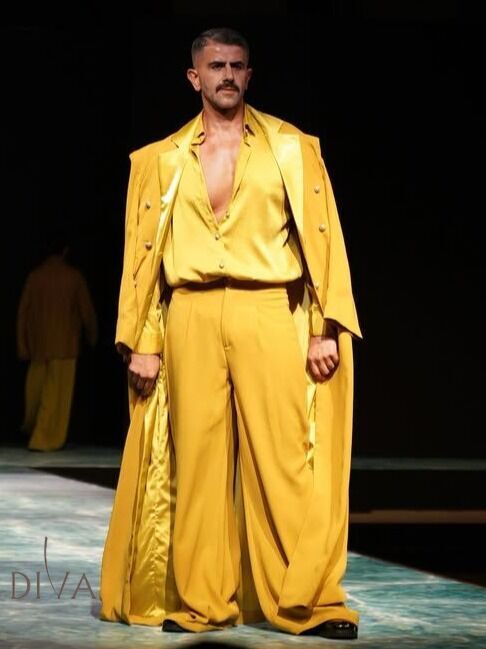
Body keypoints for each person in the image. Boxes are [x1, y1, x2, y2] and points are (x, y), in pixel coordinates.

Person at [99, 27, 362, 640]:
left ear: (249, 74)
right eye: (215, 65)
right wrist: (143, 338)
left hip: (267, 306)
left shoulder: (292, 148)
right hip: (189, 311)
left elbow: (323, 240)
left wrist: (324, 327)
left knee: (284, 461)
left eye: (236, 66)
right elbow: (142, 257)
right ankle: (202, 604)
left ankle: (307, 604)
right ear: (194, 77)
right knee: (196, 463)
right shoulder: (159, 159)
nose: (226, 75)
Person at [16, 233, 98, 451]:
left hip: (38, 346)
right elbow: (86, 312)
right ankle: (43, 440)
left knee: (36, 395)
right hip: (65, 347)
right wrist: (93, 336)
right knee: (55, 399)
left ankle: (34, 432)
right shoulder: (73, 277)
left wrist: (22, 344)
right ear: (65, 251)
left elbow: (23, 312)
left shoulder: (35, 277)